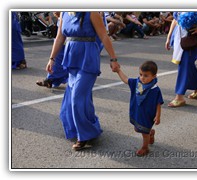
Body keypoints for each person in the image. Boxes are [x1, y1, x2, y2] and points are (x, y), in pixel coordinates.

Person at [45, 12, 120, 151]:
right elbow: (60, 37)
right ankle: (90, 127)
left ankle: (83, 135)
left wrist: (113, 58)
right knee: (81, 97)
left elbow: (103, 35)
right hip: (71, 57)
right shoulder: (64, 13)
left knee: (77, 97)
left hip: (88, 58)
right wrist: (52, 59)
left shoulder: (91, 12)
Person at [116, 61, 164, 156]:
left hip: (147, 115)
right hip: (137, 112)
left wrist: (158, 116)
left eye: (146, 75)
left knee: (143, 132)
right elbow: (126, 79)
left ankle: (145, 147)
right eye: (141, 74)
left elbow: (159, 103)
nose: (142, 77)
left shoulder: (155, 89)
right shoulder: (137, 83)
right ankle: (150, 132)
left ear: (154, 76)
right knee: (137, 129)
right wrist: (118, 71)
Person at [165, 12, 197, 107]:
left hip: (193, 36)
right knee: (188, 63)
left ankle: (179, 97)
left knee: (184, 64)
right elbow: (175, 19)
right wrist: (169, 36)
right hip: (180, 36)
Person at [36, 12, 68, 88]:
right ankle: (50, 79)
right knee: (58, 56)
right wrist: (51, 59)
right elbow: (59, 38)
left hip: (78, 41)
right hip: (63, 33)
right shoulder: (63, 15)